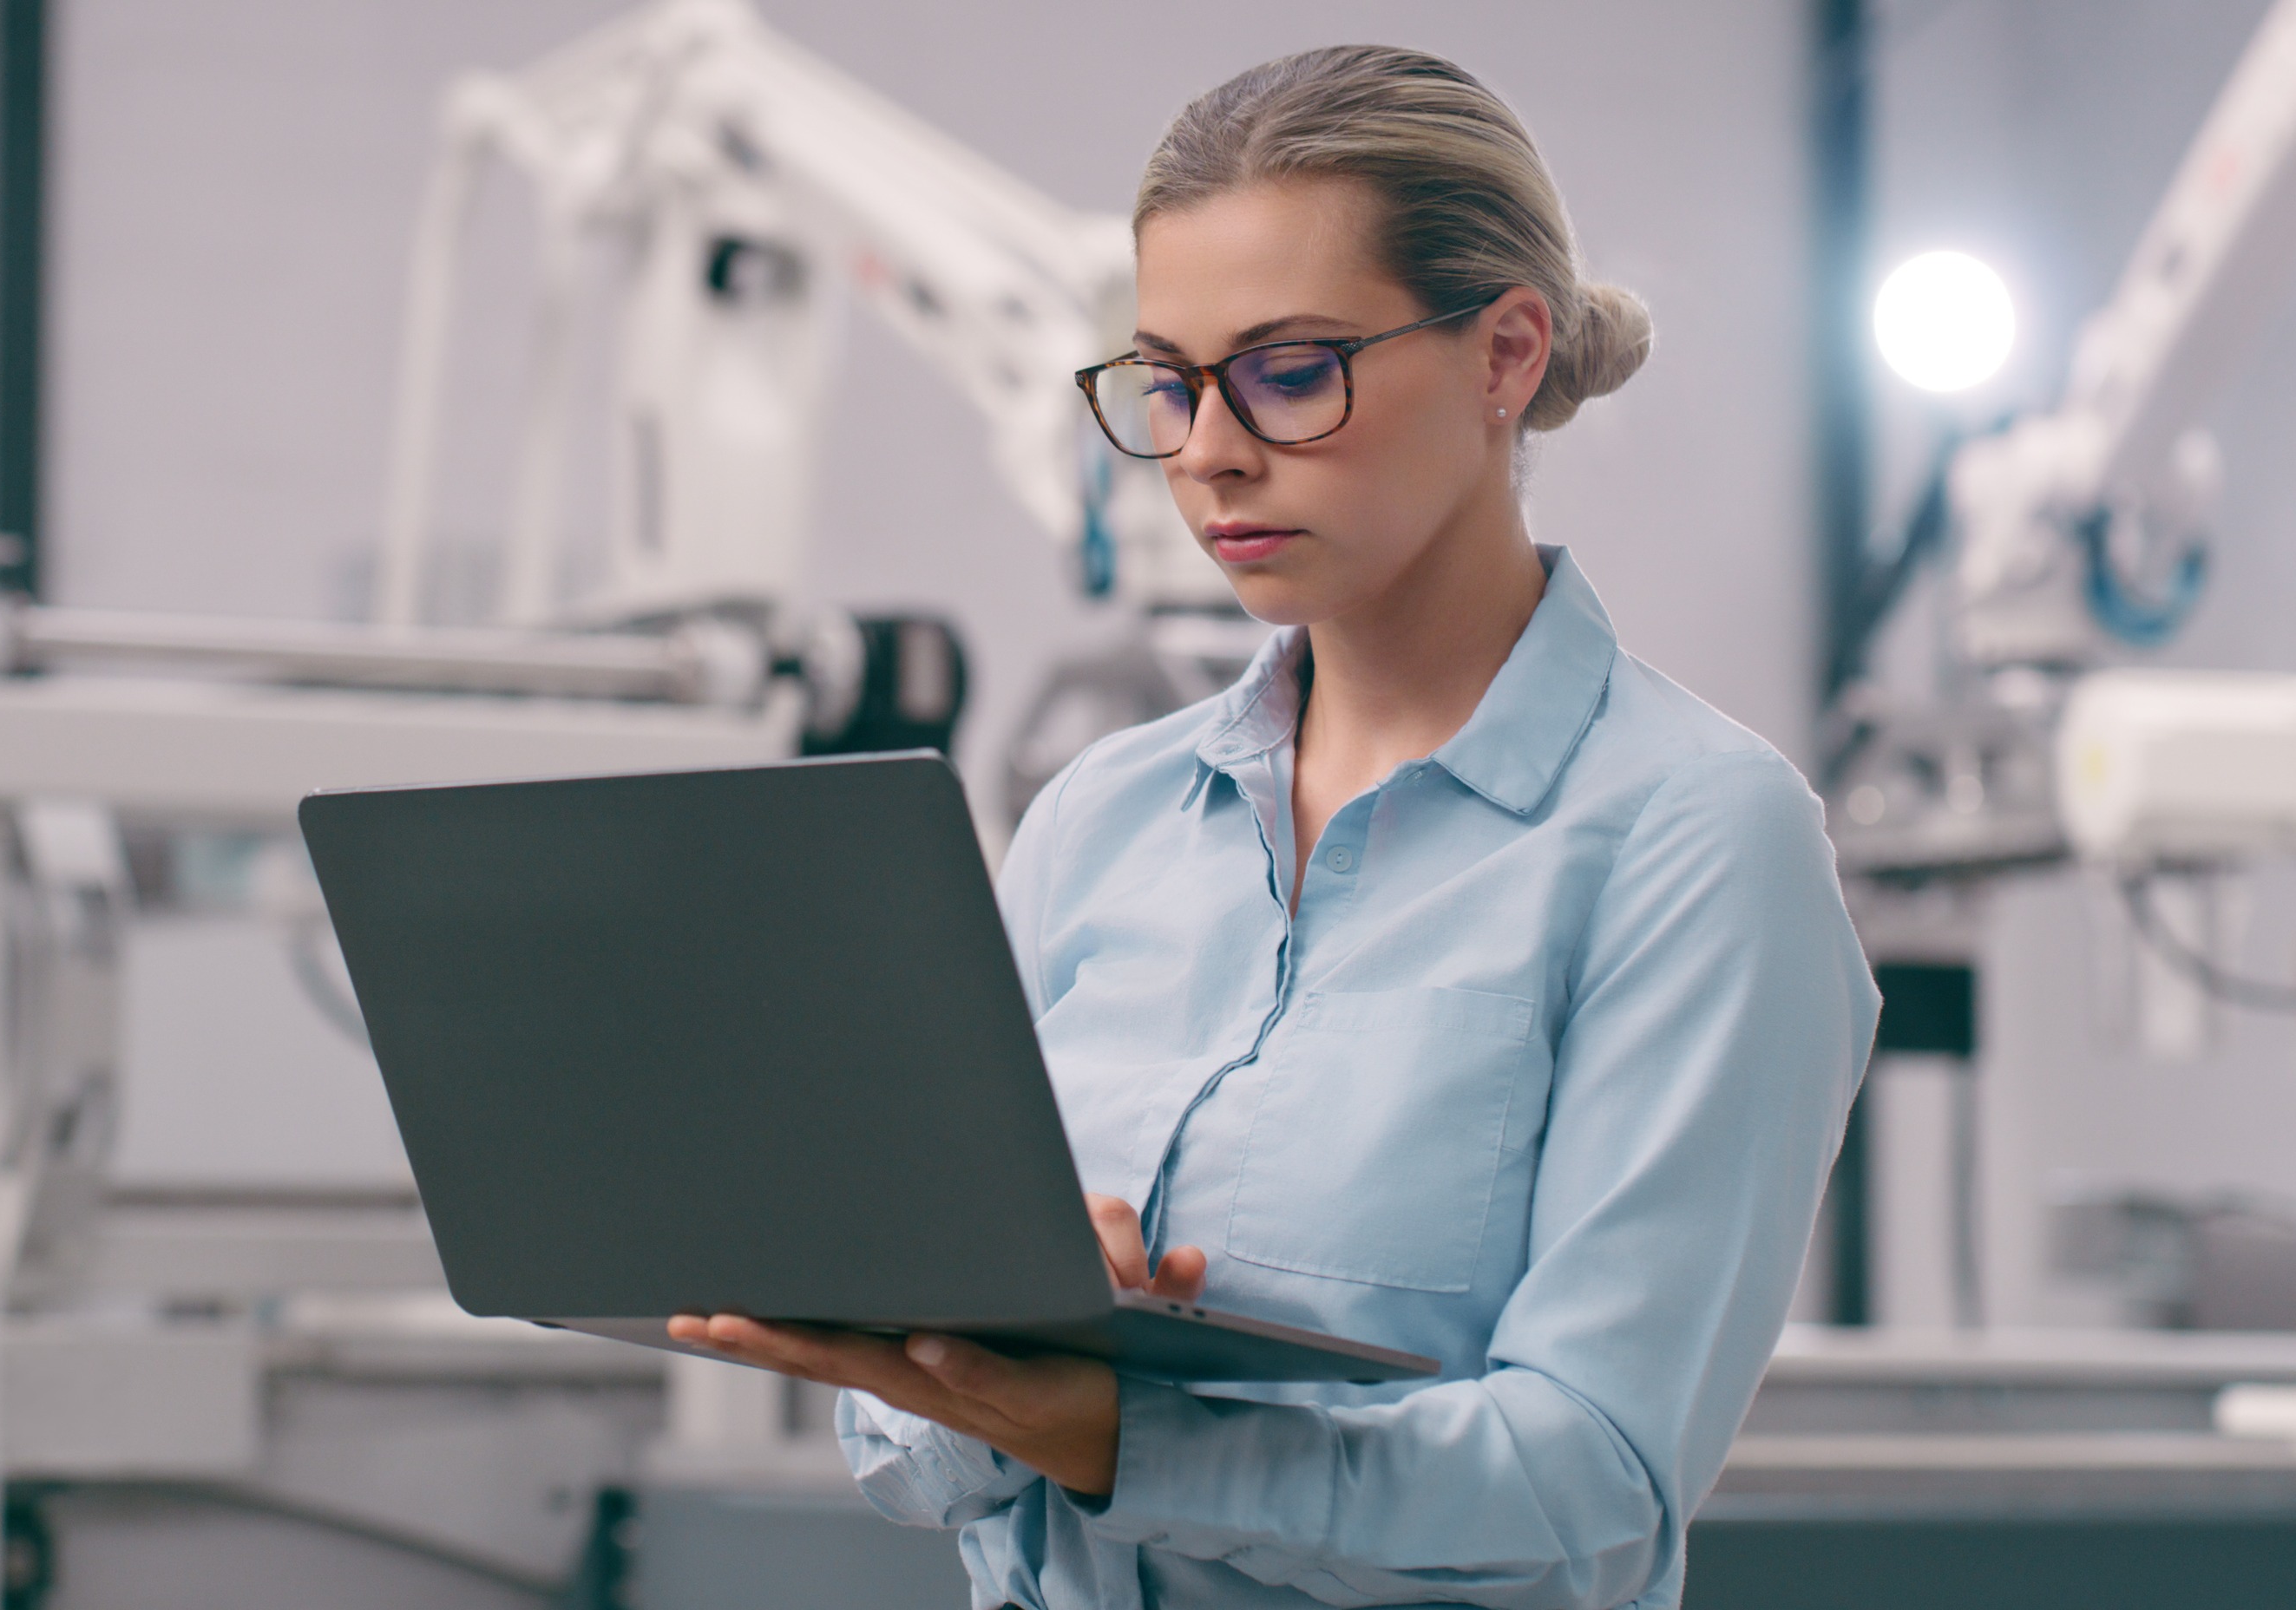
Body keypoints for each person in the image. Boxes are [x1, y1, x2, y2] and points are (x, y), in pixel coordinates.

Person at [666, 44, 1878, 1609]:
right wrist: (976, 1356)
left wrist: (1114, 1435)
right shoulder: (1099, 819)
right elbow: (896, 1454)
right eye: (1169, 384)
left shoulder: (1694, 841)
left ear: (1507, 355)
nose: (1208, 452)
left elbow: (1593, 1479)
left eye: (1291, 374)